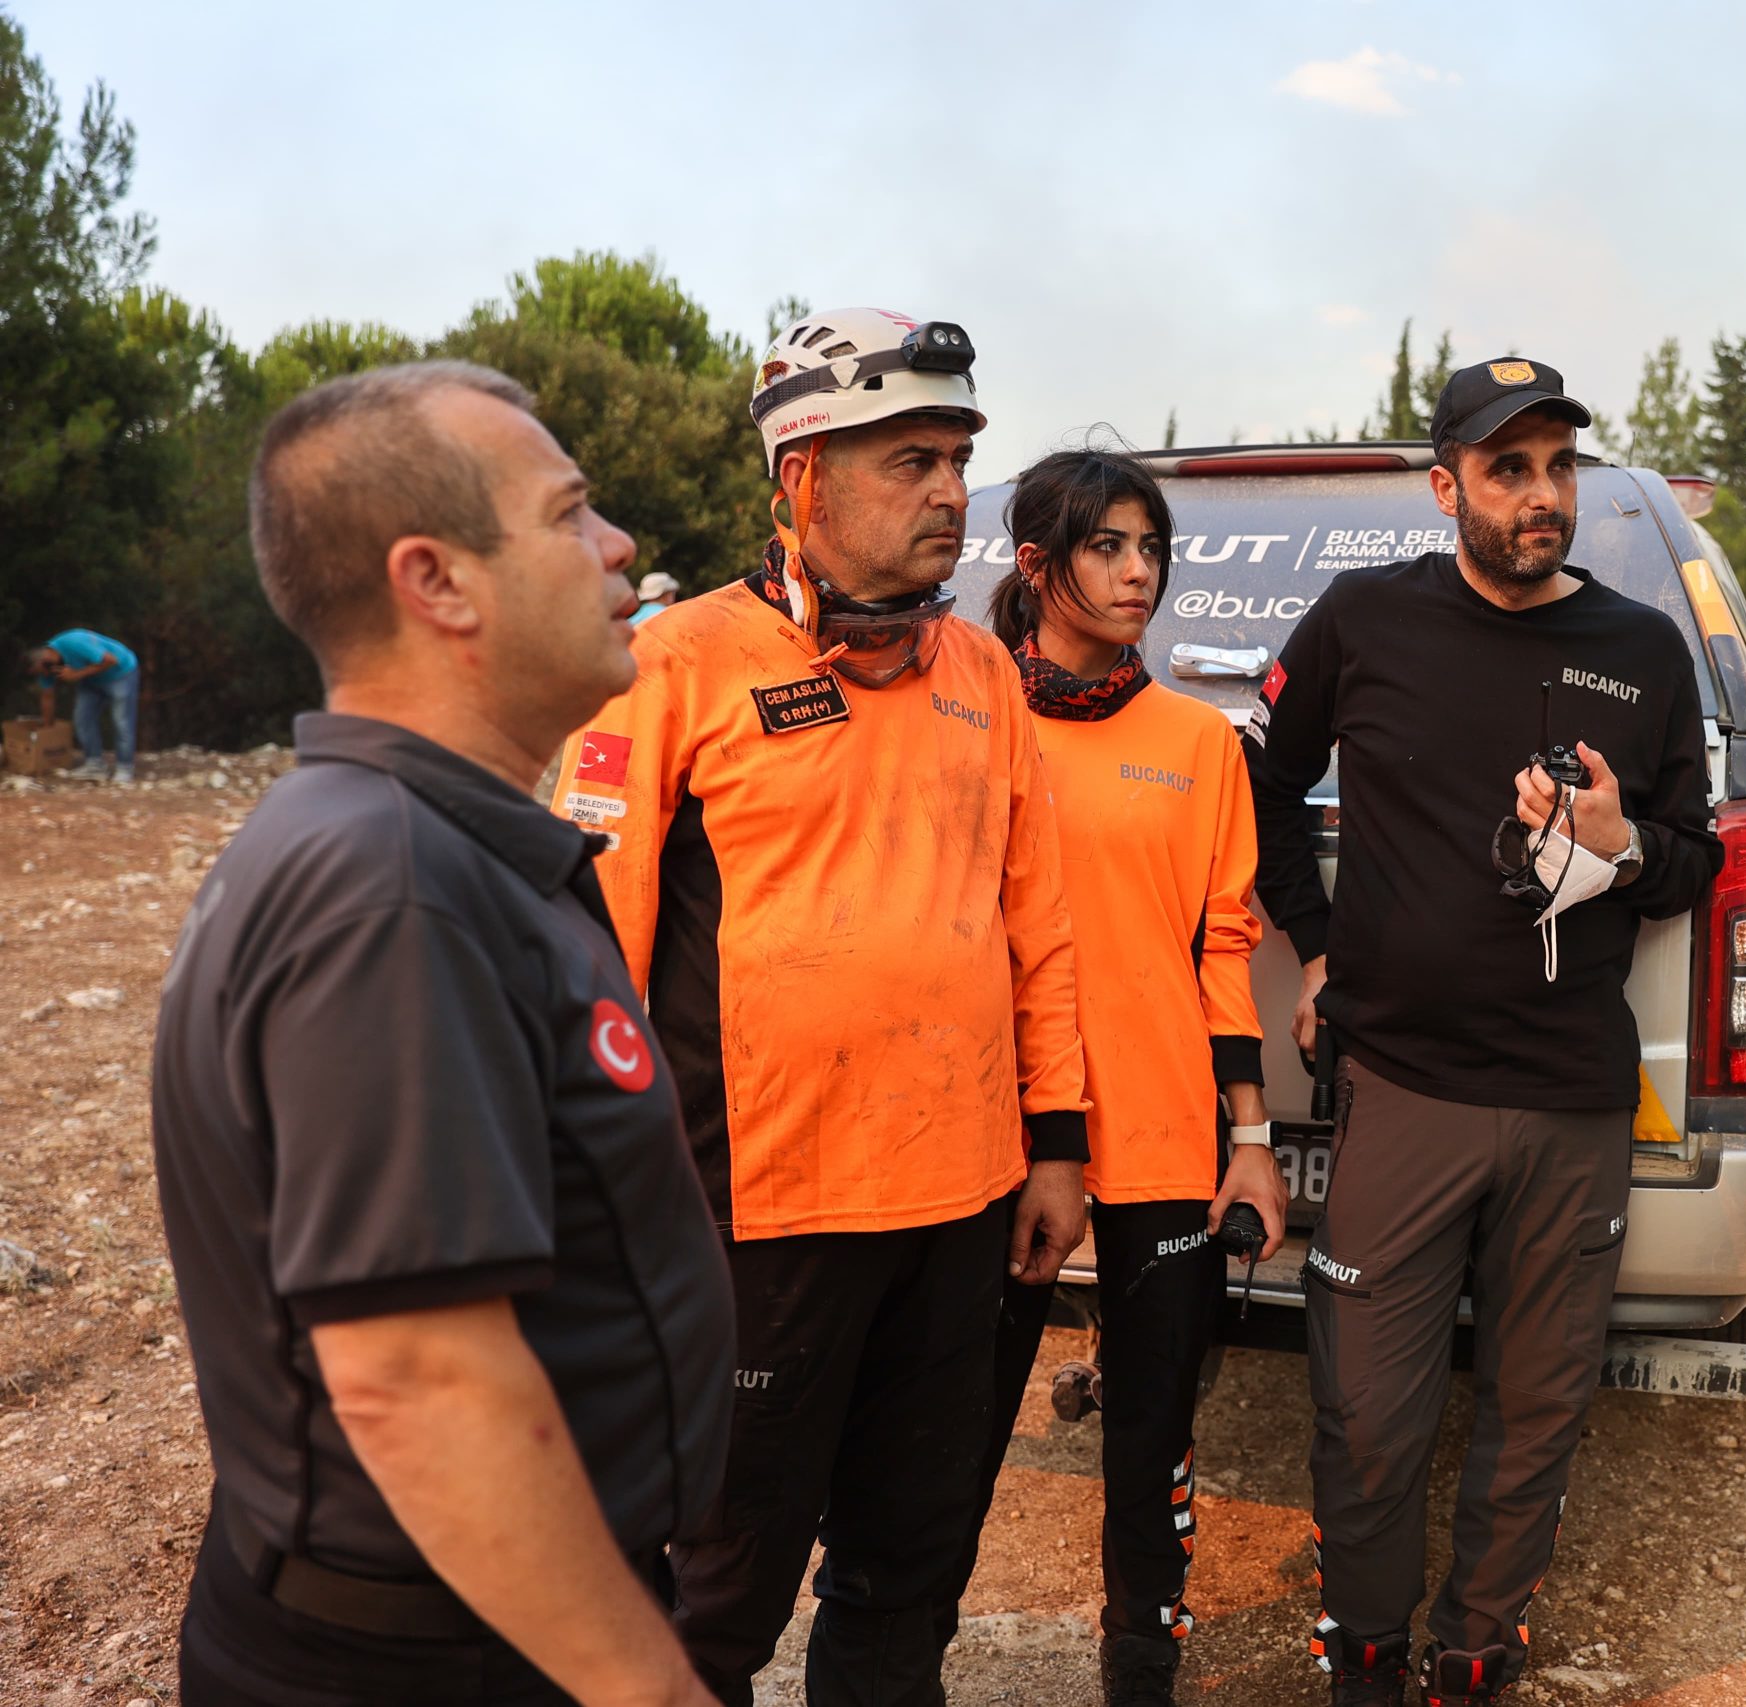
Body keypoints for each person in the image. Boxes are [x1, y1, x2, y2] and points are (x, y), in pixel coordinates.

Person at [151, 361, 734, 1707]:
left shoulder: (395, 841)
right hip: (436, 1651)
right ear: (439, 581)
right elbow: (421, 1376)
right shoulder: (394, 883)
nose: (619, 545)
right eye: (569, 512)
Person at [560, 306, 1090, 1707]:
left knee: (906, 1584)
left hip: (962, 1207)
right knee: (705, 1607)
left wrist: (1058, 1142)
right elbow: (582, 948)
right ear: (802, 479)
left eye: (959, 459)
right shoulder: (670, 664)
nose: (950, 492)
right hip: (754, 1218)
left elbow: (1036, 926)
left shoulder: (985, 676)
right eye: (910, 458)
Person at [1248, 361, 1722, 1705]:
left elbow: (1691, 853)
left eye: (1560, 466)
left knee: (1537, 1406)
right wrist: (1320, 937)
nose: (1542, 495)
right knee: (1368, 1409)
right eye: (1509, 470)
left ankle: (1476, 1646)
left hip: (1573, 1097)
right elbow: (1266, 780)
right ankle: (1368, 1647)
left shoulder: (1640, 649)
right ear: (1447, 483)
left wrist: (1629, 849)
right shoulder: (1364, 620)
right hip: (1403, 1087)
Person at [946, 448, 1285, 1706]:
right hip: (992, 1142)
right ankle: (897, 1640)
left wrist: (1247, 1132)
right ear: (1037, 565)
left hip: (1158, 1137)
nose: (1140, 572)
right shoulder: (967, 719)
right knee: (957, 1432)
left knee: (1149, 1431)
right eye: (1108, 547)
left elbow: (1224, 946)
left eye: (1152, 548)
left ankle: (1141, 1656)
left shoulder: (1199, 742)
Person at [26, 626, 141, 782]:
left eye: (40, 672)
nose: (44, 676)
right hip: (92, 680)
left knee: (121, 721)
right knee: (82, 719)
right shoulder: (48, 667)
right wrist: (47, 730)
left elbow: (110, 660)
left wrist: (77, 674)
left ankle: (125, 767)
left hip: (120, 673)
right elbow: (48, 697)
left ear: (42, 661)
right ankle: (95, 764)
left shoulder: (74, 642)